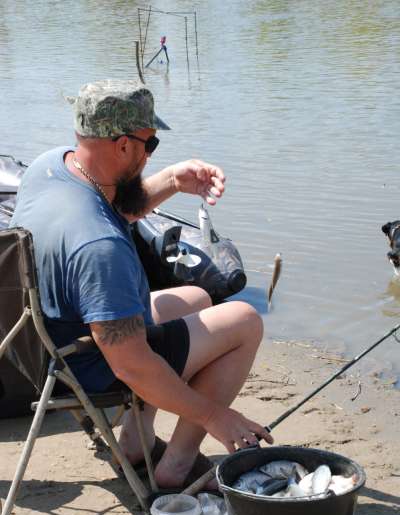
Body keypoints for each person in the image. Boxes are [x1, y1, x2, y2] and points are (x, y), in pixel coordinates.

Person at [10, 79, 273, 489]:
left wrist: (172, 180)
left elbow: (110, 207)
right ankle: (176, 468)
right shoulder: (99, 245)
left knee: (196, 297)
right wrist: (214, 416)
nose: (150, 155)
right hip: (86, 363)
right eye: (150, 146)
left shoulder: (52, 167)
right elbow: (131, 364)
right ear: (122, 145)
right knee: (244, 321)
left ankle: (136, 440)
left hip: (41, 340)